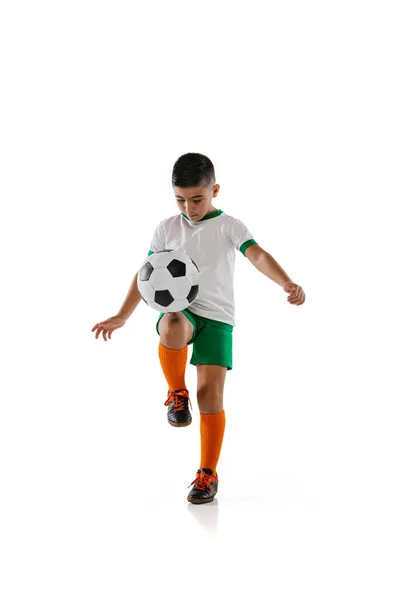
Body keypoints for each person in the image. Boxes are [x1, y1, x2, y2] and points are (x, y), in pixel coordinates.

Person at [91, 152, 306, 504]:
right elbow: (146, 274)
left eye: (197, 199)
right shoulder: (166, 228)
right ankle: (177, 394)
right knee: (172, 319)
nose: (188, 208)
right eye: (180, 199)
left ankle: (207, 474)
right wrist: (122, 315)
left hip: (219, 318)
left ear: (214, 190)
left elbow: (257, 255)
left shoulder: (229, 226)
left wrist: (286, 282)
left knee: (211, 397)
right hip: (185, 312)